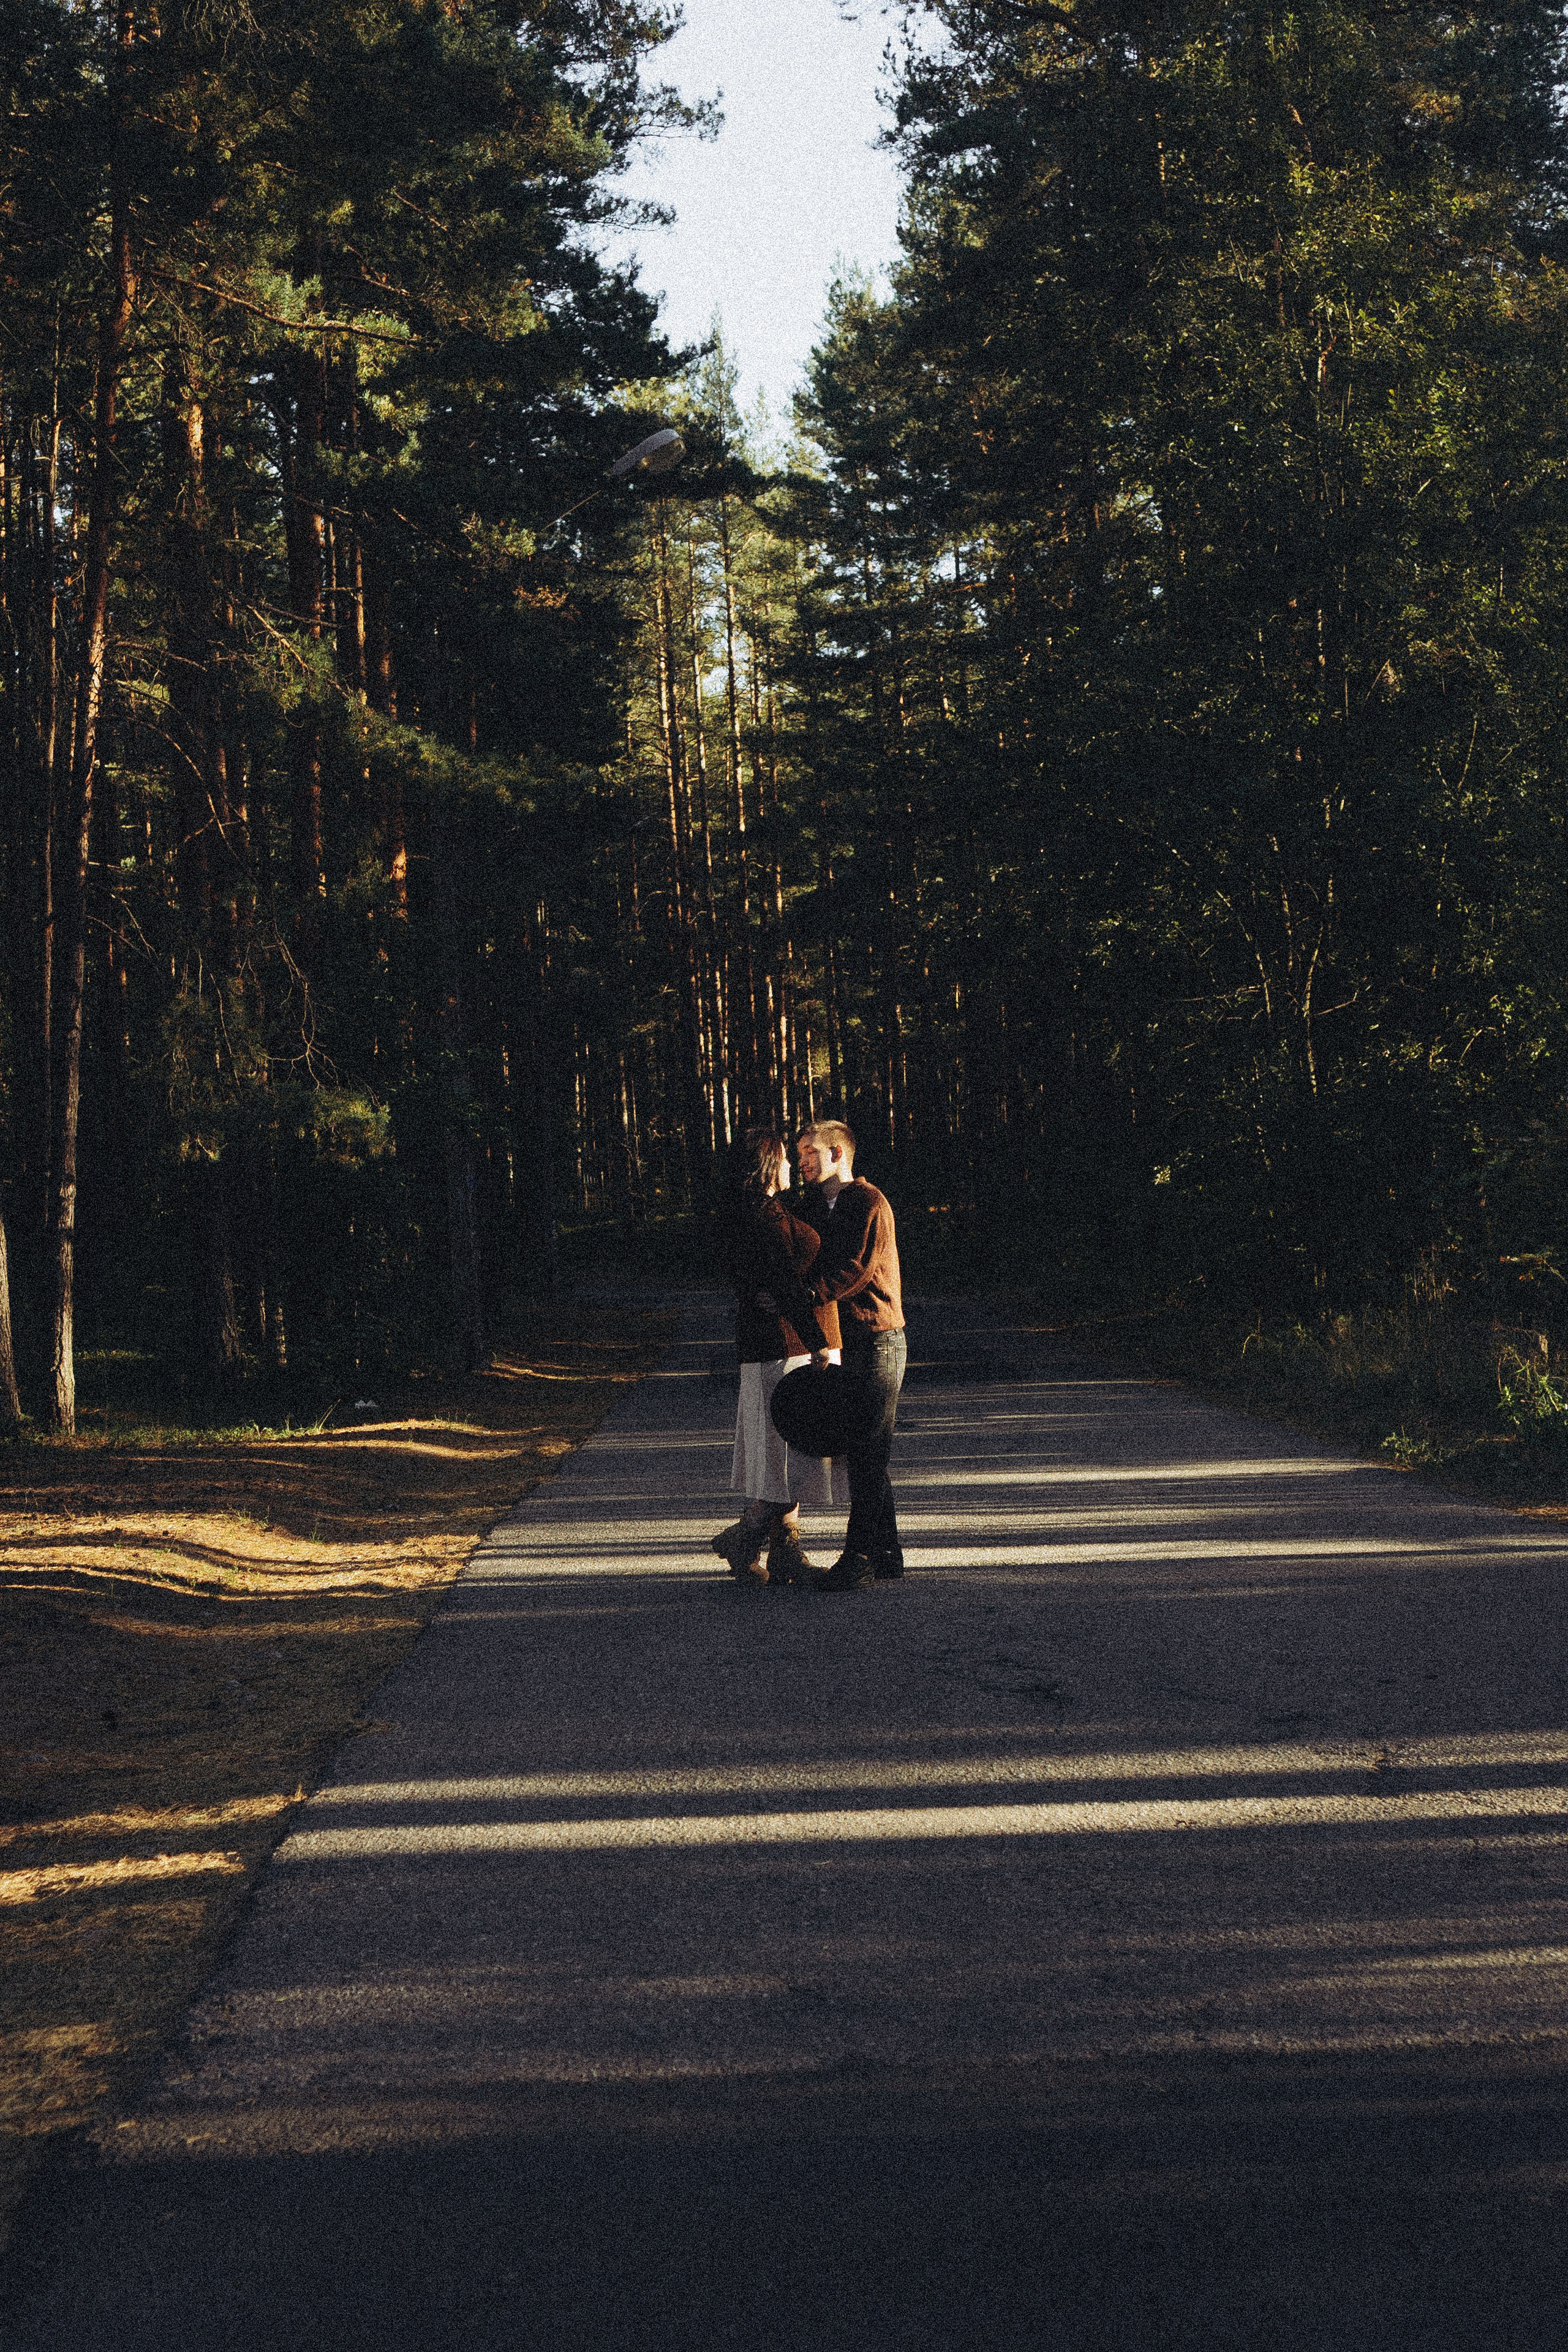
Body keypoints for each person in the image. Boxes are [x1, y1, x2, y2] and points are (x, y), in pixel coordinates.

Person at [712, 1126, 843, 1586]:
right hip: (784, 1348)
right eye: (786, 1157)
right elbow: (785, 1283)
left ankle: (783, 1550)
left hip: (777, 1346)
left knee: (790, 1451)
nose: (792, 1164)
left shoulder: (768, 1211)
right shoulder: (765, 1218)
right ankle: (746, 1535)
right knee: (789, 1451)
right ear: (768, 1165)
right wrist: (817, 1342)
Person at [794, 1119, 907, 1591]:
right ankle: (888, 1554)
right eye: (799, 1154)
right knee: (864, 1449)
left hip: (880, 1339)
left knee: (867, 1450)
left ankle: (859, 1556)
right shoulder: (817, 1206)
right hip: (848, 1341)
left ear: (838, 1152)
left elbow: (856, 1269)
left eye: (810, 1153)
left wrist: (806, 1295)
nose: (802, 1162)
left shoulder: (869, 1202)